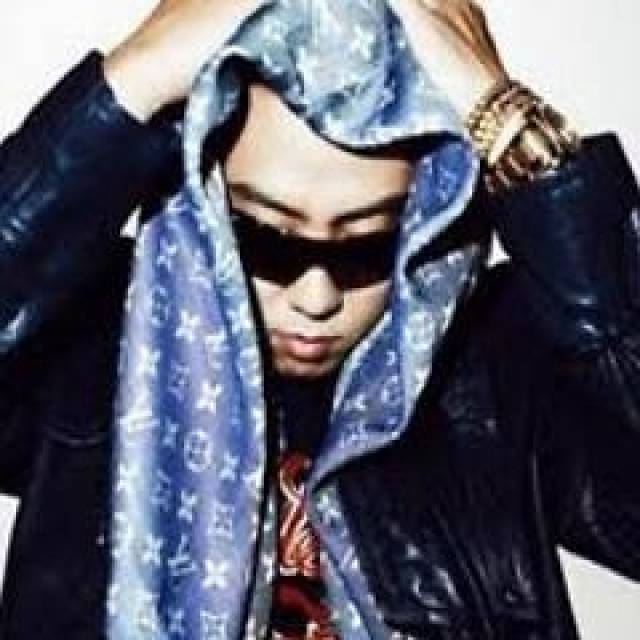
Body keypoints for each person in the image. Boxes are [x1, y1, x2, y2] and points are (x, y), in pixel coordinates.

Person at [0, 1, 638, 639]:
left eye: (370, 246)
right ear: (201, 210)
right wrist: (135, 79)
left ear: (430, 218)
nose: (316, 297)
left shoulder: (500, 372)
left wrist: (509, 127)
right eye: (265, 239)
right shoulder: (91, 347)